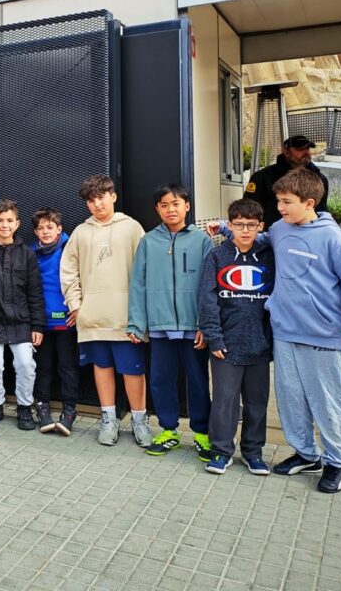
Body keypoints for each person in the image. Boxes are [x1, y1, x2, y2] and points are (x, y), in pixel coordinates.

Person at [233, 169, 341, 493]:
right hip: (284, 333)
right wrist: (228, 230)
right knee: (291, 399)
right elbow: (261, 240)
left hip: (324, 335)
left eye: (286, 202)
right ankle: (307, 454)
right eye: (278, 201)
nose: (279, 207)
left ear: (309, 203)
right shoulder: (280, 229)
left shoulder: (333, 238)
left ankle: (336, 462)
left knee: (327, 403)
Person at [127, 183, 215, 459]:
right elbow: (138, 284)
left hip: (193, 327)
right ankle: (168, 430)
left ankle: (202, 433)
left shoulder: (202, 240)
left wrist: (205, 325)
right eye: (164, 205)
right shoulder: (148, 241)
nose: (170, 209)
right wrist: (136, 323)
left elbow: (209, 286)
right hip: (160, 326)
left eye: (176, 204)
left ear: (187, 206)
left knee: (197, 381)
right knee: (161, 380)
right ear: (157, 209)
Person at [60, 175, 150, 446]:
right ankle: (108, 419)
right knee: (102, 367)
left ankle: (140, 420)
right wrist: (76, 305)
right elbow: (68, 271)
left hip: (126, 317)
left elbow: (146, 271)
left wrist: (141, 314)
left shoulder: (132, 227)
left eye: (101, 197)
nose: (97, 204)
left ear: (113, 196)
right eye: (91, 200)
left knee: (133, 370)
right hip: (93, 318)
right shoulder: (81, 232)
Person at [198, 199, 274, 475]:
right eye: (239, 224)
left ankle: (253, 453)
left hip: (259, 346)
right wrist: (214, 337)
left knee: (257, 403)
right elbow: (207, 300)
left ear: (260, 226)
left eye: (251, 225)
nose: (245, 230)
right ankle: (221, 450)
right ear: (229, 225)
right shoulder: (217, 257)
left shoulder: (269, 256)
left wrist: (271, 340)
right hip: (226, 346)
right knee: (224, 402)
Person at [0, 200, 44, 431]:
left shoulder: (27, 254)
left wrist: (38, 326)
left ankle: (24, 407)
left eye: (10, 220)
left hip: (22, 323)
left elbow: (35, 292)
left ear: (17, 224)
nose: (5, 225)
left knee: (26, 364)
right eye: (0, 220)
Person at [30, 208, 79, 435]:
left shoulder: (70, 248)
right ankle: (42, 407)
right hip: (41, 322)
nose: (45, 232)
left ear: (59, 229)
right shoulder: (31, 252)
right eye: (40, 228)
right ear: (35, 232)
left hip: (66, 321)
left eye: (50, 227)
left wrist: (77, 308)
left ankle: (69, 411)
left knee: (67, 367)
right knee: (43, 367)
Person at [244, 134, 329, 229]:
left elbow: (322, 210)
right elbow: (248, 209)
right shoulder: (263, 177)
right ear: (286, 152)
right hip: (271, 233)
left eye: (308, 148)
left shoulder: (320, 179)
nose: (306, 152)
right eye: (300, 149)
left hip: (308, 233)